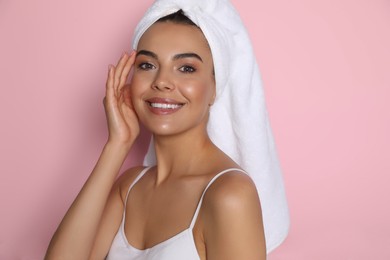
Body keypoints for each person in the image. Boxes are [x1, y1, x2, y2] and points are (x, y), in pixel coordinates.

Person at [45, 0, 289, 259]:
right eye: (147, 65)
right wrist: (117, 145)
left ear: (215, 87)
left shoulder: (229, 195)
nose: (161, 82)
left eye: (186, 68)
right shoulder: (128, 187)